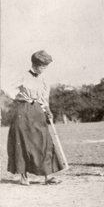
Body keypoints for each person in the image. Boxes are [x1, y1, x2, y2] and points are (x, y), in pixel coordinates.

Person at [6, 50, 65, 185]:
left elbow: (44, 98)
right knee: (22, 142)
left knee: (44, 141)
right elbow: (8, 88)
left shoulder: (43, 79)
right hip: (22, 110)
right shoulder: (22, 76)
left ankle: (48, 176)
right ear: (35, 64)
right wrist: (19, 97)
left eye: (46, 67)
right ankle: (23, 176)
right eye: (42, 66)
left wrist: (48, 110)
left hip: (37, 111)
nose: (44, 69)